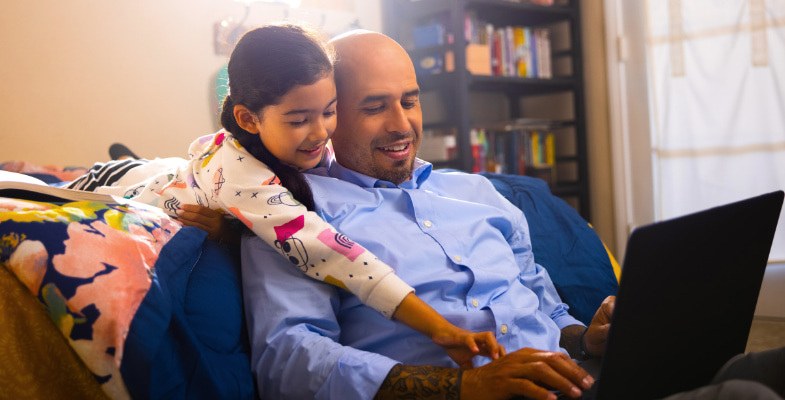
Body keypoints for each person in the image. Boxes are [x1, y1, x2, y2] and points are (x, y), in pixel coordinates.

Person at [240, 30, 785, 400]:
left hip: (576, 380)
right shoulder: (294, 216)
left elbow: (542, 303)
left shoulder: (477, 192)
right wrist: (466, 387)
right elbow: (288, 358)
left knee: (763, 367)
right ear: (331, 114)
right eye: (374, 106)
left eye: (410, 99)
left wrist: (582, 337)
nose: (402, 124)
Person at [66, 23, 503, 368]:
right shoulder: (245, 177)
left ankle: (137, 160)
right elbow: (332, 254)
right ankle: (114, 165)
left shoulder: (303, 147)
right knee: (98, 184)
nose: (320, 134)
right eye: (299, 120)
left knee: (168, 166)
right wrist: (438, 328)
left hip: (194, 172)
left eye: (330, 112)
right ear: (249, 119)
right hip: (147, 189)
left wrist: (233, 228)